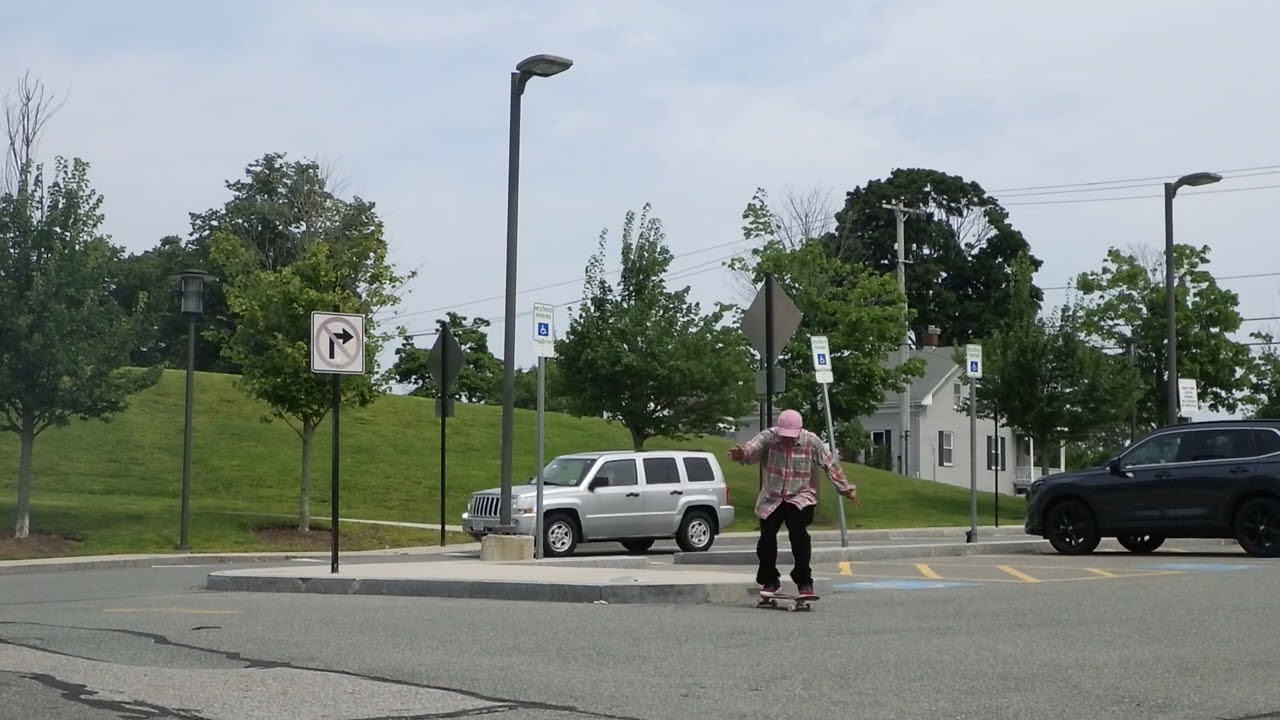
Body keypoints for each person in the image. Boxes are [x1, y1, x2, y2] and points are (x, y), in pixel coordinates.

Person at [728, 408, 860, 597]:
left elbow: (830, 464)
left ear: (799, 431)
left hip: (800, 496)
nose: (788, 441)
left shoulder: (812, 441)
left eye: (791, 437)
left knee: (799, 536)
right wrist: (743, 454)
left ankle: (804, 580)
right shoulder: (770, 437)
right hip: (772, 496)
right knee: (766, 538)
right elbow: (753, 448)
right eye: (784, 437)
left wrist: (846, 488)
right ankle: (770, 579)